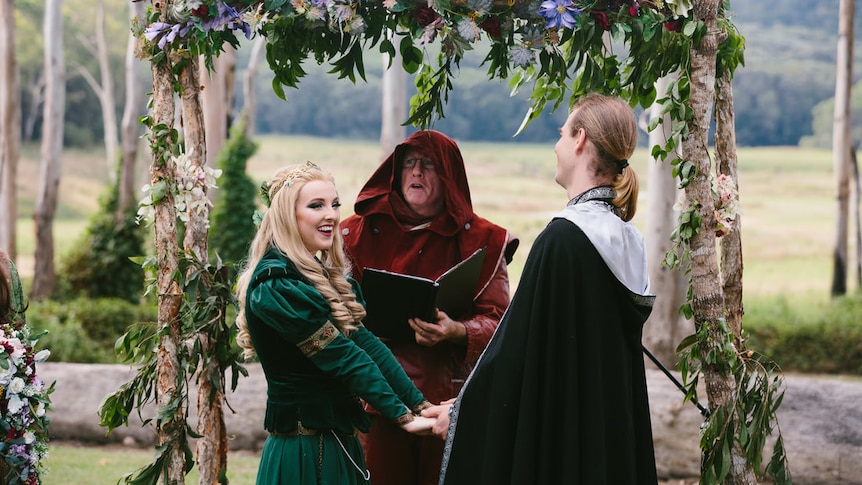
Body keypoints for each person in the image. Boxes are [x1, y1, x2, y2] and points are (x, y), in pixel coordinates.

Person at [422, 93, 659, 484]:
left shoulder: (564, 239)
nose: (557, 144)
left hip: (565, 435)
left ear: (580, 140)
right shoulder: (626, 239)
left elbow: (517, 349)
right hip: (607, 432)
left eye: (562, 133)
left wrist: (462, 410)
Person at [234, 162, 435, 485]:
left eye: (334, 204)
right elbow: (345, 358)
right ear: (288, 215)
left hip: (337, 444)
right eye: (316, 205)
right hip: (303, 454)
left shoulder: (315, 277)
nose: (331, 214)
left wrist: (419, 404)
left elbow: (368, 346)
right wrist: (403, 418)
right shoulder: (277, 286)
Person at [340, 130, 519, 485]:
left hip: (449, 403)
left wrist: (456, 330)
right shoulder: (356, 233)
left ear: (448, 177)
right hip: (375, 398)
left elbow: (500, 323)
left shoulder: (481, 239)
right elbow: (333, 315)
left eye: (429, 165)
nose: (417, 172)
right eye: (409, 163)